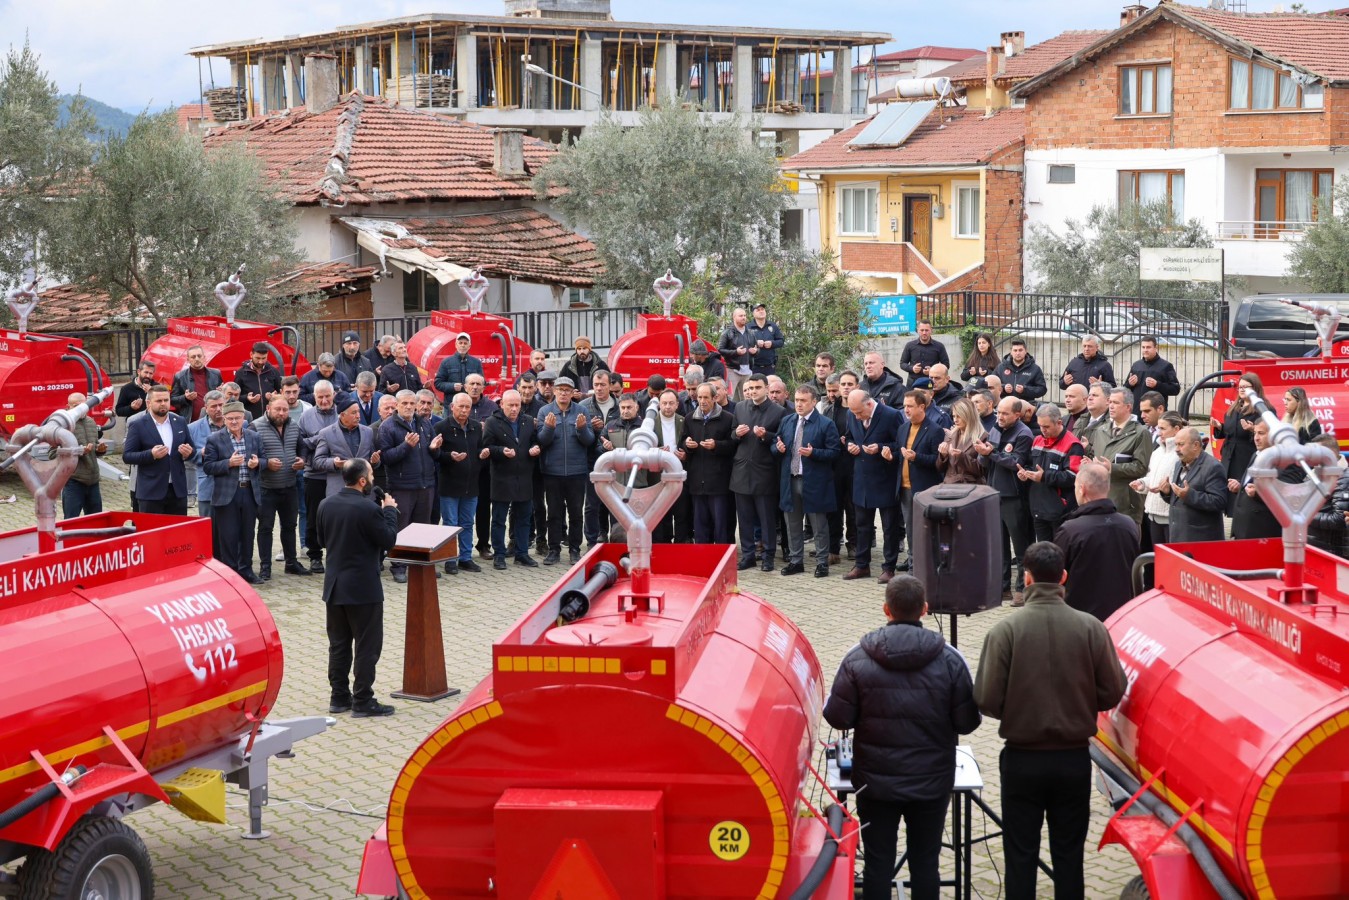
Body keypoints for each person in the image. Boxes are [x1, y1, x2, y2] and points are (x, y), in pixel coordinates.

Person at [974, 541, 1126, 900]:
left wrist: (1016, 710)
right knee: (1070, 856)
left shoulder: (1005, 632)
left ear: (1026, 578)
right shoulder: (1091, 628)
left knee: (1020, 854)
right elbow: (1113, 690)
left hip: (1022, 759)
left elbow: (985, 698)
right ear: (1063, 577)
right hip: (1073, 759)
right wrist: (1082, 703)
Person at [823, 575, 981, 900]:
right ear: (924, 609)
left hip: (875, 785)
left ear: (886, 610)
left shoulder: (858, 658)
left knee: (878, 864)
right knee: (926, 864)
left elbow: (837, 717)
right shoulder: (950, 660)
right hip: (931, 784)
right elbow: (967, 723)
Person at [318, 459, 400, 718]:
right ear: (362, 480)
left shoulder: (325, 504)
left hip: (334, 586)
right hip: (363, 588)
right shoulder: (368, 509)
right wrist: (389, 510)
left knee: (339, 644)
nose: (374, 479)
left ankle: (339, 697)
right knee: (366, 645)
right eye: (372, 475)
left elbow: (321, 540)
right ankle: (363, 700)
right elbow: (388, 540)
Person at [1054, 462, 1138, 621]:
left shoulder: (1070, 530)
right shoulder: (1128, 524)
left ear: (1082, 489)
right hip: (1120, 617)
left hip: (1079, 619)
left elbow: (1054, 575)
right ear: (1108, 488)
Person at [772, 384, 838, 577]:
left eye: (803, 401)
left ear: (814, 402)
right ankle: (796, 561)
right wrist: (779, 448)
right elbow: (775, 444)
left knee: (818, 525)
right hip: (790, 480)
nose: (799, 405)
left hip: (814, 481)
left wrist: (814, 453)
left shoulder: (825, 424)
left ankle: (821, 562)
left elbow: (835, 453)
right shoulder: (787, 421)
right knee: (792, 524)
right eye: (797, 400)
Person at [380, 389, 442, 584]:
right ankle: (398, 566)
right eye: (404, 404)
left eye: (411, 403)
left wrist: (434, 449)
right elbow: (386, 458)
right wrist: (406, 446)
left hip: (425, 485)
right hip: (401, 486)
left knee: (423, 527)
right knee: (402, 528)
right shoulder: (388, 427)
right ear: (396, 405)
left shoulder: (423, 423)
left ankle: (420, 563)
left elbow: (432, 454)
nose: (408, 407)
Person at [202, 400, 267, 582]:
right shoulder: (214, 439)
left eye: (237, 418)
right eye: (230, 418)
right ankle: (231, 574)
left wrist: (257, 464)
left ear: (244, 418)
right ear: (224, 418)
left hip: (249, 492)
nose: (234, 422)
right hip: (227, 495)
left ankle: (246, 570)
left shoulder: (254, 436)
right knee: (228, 536)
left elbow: (264, 459)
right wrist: (228, 463)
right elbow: (208, 467)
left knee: (247, 533)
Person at [843, 389, 903, 583]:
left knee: (889, 527)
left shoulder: (891, 415)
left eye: (859, 412)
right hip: (861, 479)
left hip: (885, 478)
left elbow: (900, 443)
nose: (857, 417)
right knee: (862, 525)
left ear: (869, 404)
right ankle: (862, 565)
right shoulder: (852, 414)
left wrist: (882, 448)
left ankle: (889, 567)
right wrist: (850, 446)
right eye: (853, 413)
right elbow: (849, 436)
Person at [536, 376, 595, 564]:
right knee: (554, 513)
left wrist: (582, 429)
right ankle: (553, 550)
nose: (563, 393)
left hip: (577, 472)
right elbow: (541, 441)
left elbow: (589, 441)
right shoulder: (545, 411)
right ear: (554, 391)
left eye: (567, 390)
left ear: (572, 393)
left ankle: (575, 549)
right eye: (560, 389)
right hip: (552, 472)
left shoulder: (582, 411)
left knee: (576, 513)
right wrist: (548, 428)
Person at [731, 374, 787, 572]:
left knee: (766, 519)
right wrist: (736, 433)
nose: (753, 391)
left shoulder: (778, 412)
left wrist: (766, 436)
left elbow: (781, 440)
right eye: (751, 388)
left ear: (766, 388)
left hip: (764, 472)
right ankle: (748, 555)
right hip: (741, 471)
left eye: (757, 387)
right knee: (744, 518)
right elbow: (732, 436)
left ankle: (768, 556)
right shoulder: (739, 407)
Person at [483, 389, 542, 568]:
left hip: (524, 477)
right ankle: (499, 554)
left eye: (517, 405)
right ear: (502, 405)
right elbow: (486, 448)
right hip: (502, 477)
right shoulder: (492, 423)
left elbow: (534, 440)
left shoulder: (528, 422)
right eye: (511, 405)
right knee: (499, 519)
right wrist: (501, 451)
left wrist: (535, 448)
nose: (515, 409)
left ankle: (521, 553)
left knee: (524, 517)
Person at [252, 395, 309, 579]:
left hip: (289, 485)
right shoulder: (255, 426)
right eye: (278, 409)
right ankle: (265, 566)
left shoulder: (294, 426)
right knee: (266, 528)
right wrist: (266, 463)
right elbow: (250, 457)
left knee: (290, 526)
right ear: (268, 408)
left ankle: (291, 563)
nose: (282, 413)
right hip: (266, 488)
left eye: (285, 409)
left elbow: (303, 448)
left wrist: (303, 460)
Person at [433, 392, 486, 575]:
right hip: (449, 484)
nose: (464, 410)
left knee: (467, 522)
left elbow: (478, 448)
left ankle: (465, 558)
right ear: (452, 407)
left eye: (467, 407)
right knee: (450, 523)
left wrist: (482, 454)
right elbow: (435, 455)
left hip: (471, 483)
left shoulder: (476, 427)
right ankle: (449, 559)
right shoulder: (441, 426)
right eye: (461, 407)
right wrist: (450, 457)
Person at [122, 384, 195, 515]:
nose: (163, 404)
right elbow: (127, 456)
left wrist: (188, 453)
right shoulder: (138, 425)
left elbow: (191, 450)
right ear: (148, 403)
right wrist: (151, 454)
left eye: (166, 400)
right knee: (151, 534)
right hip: (151, 492)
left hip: (177, 491)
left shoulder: (179, 421)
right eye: (159, 401)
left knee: (176, 533)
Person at [1088, 388, 1153, 527]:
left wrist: (1112, 467)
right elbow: (1095, 455)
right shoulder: (1101, 430)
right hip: (1101, 499)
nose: (1110, 406)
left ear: (1128, 407)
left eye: (1116, 402)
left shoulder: (1141, 433)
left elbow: (1141, 468)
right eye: (1110, 402)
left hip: (1126, 504)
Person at [1022, 404, 1083, 543]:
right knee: (1043, 554)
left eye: (1047, 427)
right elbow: (1031, 465)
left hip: (1060, 511)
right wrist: (1025, 472)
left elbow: (1074, 476)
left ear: (1059, 423)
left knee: (1060, 553)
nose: (1043, 430)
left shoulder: (1073, 444)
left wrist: (1044, 476)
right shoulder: (1037, 440)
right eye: (1040, 426)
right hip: (1038, 507)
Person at [683, 383, 736, 544]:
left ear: (714, 398)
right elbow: (683, 441)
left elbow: (733, 445)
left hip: (718, 481)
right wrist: (688, 445)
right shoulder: (690, 418)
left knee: (721, 524)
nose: (702, 401)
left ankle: (721, 556)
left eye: (706, 397)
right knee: (700, 524)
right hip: (697, 480)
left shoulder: (727, 418)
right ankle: (701, 557)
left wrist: (716, 446)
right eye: (699, 397)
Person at [894, 390, 943, 562]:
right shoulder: (903, 428)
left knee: (926, 529)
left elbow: (938, 461)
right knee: (911, 529)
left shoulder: (935, 430)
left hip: (924, 488)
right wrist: (890, 455)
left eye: (910, 406)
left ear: (922, 407)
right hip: (905, 488)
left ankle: (928, 563)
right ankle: (913, 564)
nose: (906, 410)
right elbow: (899, 454)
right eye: (904, 406)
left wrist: (916, 457)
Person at [1231, 419, 1297, 540]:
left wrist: (1259, 493)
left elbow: (1287, 496)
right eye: (1255, 433)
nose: (1256, 438)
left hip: (1262, 534)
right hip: (1243, 529)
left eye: (1261, 433)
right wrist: (1239, 485)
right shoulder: (1256, 454)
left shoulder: (1286, 462)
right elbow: (1250, 483)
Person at [298, 382, 340, 572]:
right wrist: (323, 437)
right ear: (314, 397)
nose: (324, 400)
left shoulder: (342, 414)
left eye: (327, 396)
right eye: (320, 397)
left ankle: (336, 553)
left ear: (334, 395)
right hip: (314, 474)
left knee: (338, 517)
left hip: (338, 474)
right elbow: (301, 443)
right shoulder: (306, 416)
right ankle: (315, 556)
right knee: (314, 517)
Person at [1162, 426, 1228, 542]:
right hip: (1178, 537)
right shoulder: (1179, 464)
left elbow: (1219, 502)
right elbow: (1178, 500)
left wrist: (1189, 495)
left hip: (1200, 540)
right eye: (1176, 444)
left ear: (1196, 445)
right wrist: (1167, 492)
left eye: (1181, 444)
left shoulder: (1213, 467)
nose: (1177, 449)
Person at [1212, 373, 1264, 516]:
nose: (1241, 390)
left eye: (1245, 387)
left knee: (1240, 495)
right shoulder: (1234, 407)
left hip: (1245, 457)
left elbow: (1267, 435)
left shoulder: (1262, 409)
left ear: (1255, 388)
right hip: (1229, 457)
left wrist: (1253, 429)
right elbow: (1230, 431)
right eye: (1240, 387)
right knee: (1228, 493)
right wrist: (1219, 427)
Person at [1131, 411, 1184, 546]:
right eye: (1158, 428)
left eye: (1163, 428)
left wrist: (1166, 489)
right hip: (1152, 514)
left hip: (1170, 516)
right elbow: (1152, 476)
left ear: (1176, 429)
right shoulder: (1157, 452)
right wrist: (1142, 484)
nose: (1159, 432)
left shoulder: (1180, 454)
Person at [312, 395, 379, 497]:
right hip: (338, 491)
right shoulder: (326, 433)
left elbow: (373, 461)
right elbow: (317, 461)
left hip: (364, 491)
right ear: (342, 415)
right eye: (354, 413)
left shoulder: (368, 431)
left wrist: (375, 462)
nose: (358, 416)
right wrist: (334, 463)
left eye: (358, 411)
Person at [820, 373, 856, 563]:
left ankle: (854, 544)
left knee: (853, 508)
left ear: (857, 386)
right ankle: (833, 548)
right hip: (834, 466)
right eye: (843, 384)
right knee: (833, 509)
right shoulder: (829, 410)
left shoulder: (861, 409)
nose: (846, 387)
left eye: (850, 384)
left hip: (855, 465)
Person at [650, 389, 691, 543]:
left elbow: (688, 442)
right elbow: (644, 447)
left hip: (679, 474)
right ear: (659, 404)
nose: (667, 406)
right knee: (662, 515)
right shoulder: (651, 423)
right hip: (658, 476)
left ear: (677, 405)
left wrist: (685, 454)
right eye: (664, 403)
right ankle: (664, 545)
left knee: (681, 514)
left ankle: (680, 545)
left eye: (671, 403)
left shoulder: (684, 420)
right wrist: (656, 452)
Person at [60, 392, 107, 518]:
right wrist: (79, 451)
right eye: (76, 406)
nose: (80, 409)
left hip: (93, 481)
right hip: (73, 481)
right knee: (70, 522)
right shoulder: (62, 426)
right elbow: (53, 454)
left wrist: (100, 450)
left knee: (96, 522)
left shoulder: (91, 422)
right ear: (67, 406)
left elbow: (94, 448)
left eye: (83, 405)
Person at [187, 391, 227, 516]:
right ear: (206, 408)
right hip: (207, 485)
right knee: (208, 529)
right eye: (214, 406)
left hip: (232, 485)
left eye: (221, 405)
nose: (218, 409)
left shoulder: (238, 424)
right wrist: (202, 453)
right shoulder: (192, 428)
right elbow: (189, 456)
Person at [937, 397, 986, 485]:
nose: (955, 420)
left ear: (968, 415)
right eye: (954, 416)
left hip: (971, 488)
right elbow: (940, 469)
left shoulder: (982, 436)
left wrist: (961, 457)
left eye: (959, 416)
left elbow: (982, 469)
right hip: (949, 487)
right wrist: (943, 456)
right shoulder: (950, 435)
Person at [1125, 336, 1180, 414]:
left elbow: (1175, 389)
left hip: (1155, 413)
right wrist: (1130, 384)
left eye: (1148, 347)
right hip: (1136, 412)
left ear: (1155, 348)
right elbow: (1125, 388)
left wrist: (1157, 385)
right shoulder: (1136, 365)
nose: (1145, 350)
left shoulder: (1166, 366)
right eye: (1143, 347)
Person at [171, 345, 222, 421]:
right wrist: (185, 398)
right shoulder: (180, 376)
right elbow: (172, 400)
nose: (197, 359)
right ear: (188, 359)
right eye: (193, 357)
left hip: (213, 420)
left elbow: (222, 397)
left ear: (204, 357)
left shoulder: (216, 374)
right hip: (190, 421)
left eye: (199, 356)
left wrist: (221, 392)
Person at [234, 342, 283, 421]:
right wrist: (247, 398)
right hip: (250, 418)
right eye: (257, 358)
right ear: (251, 355)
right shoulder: (241, 373)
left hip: (270, 417)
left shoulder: (273, 372)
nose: (260, 361)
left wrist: (275, 397)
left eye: (264, 358)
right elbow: (235, 397)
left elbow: (282, 393)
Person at [718, 308, 755, 398]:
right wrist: (736, 352)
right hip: (732, 370)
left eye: (745, 315)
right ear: (734, 317)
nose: (743, 318)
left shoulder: (750, 333)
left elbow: (756, 349)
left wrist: (755, 351)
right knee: (728, 397)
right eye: (741, 316)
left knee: (748, 399)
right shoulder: (727, 333)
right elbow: (720, 350)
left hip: (748, 371)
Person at [433, 333, 483, 401]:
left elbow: (482, 383)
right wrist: (452, 386)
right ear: (456, 345)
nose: (463, 345)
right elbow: (438, 383)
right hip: (451, 405)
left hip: (471, 404)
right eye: (460, 343)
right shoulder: (446, 362)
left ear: (469, 346)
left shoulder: (476, 363)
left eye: (465, 343)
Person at [899, 321, 950, 386]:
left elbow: (946, 365)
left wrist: (932, 371)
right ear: (917, 331)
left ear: (931, 330)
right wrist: (912, 368)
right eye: (922, 330)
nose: (924, 333)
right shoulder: (910, 345)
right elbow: (902, 363)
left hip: (932, 382)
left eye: (926, 330)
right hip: (913, 383)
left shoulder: (939, 346)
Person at [996, 339, 1047, 404]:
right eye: (1015, 350)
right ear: (1011, 352)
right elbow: (992, 385)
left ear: (1025, 351)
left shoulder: (1035, 369)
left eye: (1020, 350)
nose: (1017, 353)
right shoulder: (1001, 367)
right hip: (1004, 404)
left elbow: (1042, 389)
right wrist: (1003, 388)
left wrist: (1025, 390)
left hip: (1026, 405)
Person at [746, 302, 786, 378]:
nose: (761, 311)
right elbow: (743, 343)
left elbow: (781, 341)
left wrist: (772, 343)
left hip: (770, 367)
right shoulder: (748, 327)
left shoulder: (772, 326)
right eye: (758, 310)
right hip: (753, 367)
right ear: (753, 314)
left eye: (762, 309)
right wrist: (756, 343)